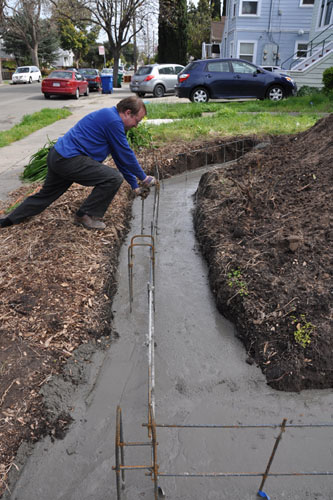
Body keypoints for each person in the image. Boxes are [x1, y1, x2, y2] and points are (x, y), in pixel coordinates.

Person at [0, 96, 156, 230]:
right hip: (69, 159)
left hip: (58, 156)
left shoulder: (111, 118)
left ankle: (9, 220)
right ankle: (83, 215)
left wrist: (134, 186)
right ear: (128, 113)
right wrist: (143, 178)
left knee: (46, 195)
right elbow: (126, 154)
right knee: (113, 178)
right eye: (137, 120)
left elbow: (120, 157)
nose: (136, 125)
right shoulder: (113, 121)